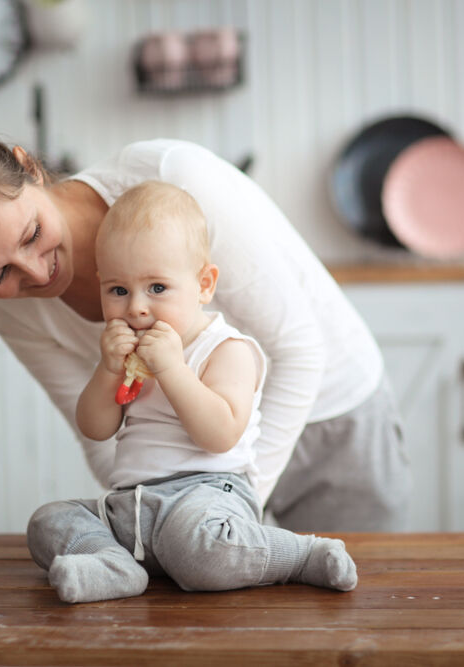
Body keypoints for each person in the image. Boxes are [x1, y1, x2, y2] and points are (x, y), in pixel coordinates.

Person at [0, 127, 410, 533]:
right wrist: (165, 517)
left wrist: (232, 506)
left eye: (32, 234)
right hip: (196, 475)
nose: (37, 273)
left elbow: (298, 351)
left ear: (29, 167)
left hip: (329, 421)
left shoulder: (175, 176)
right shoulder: (13, 315)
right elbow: (104, 443)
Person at [26, 180, 357, 602]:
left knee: (199, 551)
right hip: (132, 505)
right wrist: (108, 370)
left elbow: (220, 434)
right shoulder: (125, 355)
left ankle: (300, 555)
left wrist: (173, 370)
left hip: (206, 499)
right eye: (118, 290)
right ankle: (114, 565)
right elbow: (95, 427)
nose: (136, 307)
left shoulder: (226, 349)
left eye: (157, 288)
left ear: (204, 284)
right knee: (48, 521)